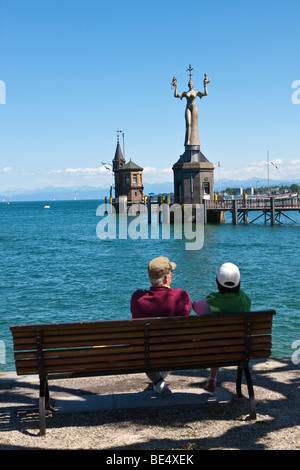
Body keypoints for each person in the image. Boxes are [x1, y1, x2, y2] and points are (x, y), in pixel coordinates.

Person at [130, 256, 191, 393]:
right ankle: (159, 382)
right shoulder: (181, 296)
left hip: (145, 353)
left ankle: (158, 381)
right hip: (175, 350)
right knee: (176, 342)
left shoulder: (137, 298)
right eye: (171, 273)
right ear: (165, 278)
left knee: (146, 352)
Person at [193, 262, 251, 392]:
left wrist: (213, 297)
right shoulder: (245, 299)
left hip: (213, 349)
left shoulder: (210, 302)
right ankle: (212, 378)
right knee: (222, 338)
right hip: (239, 350)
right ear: (239, 282)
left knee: (217, 339)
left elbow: (195, 306)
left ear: (217, 282)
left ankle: (212, 378)